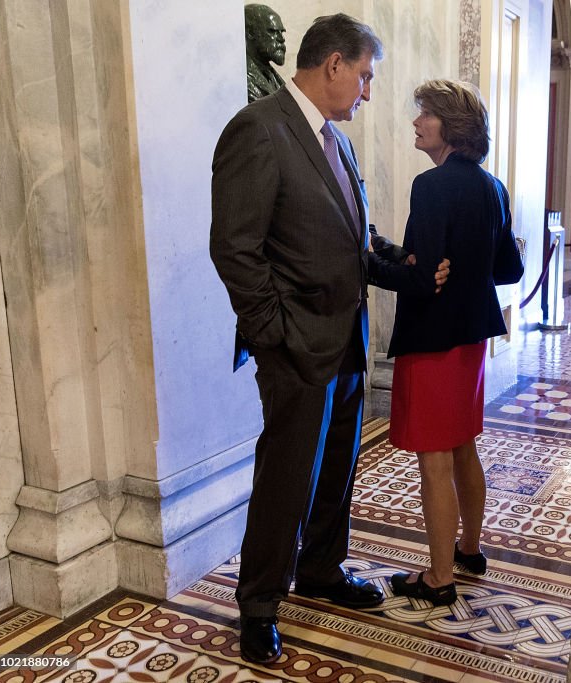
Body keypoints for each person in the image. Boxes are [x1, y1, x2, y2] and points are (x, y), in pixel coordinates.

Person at [210, 14, 449, 664]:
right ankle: (258, 605)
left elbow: (354, 241)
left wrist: (409, 268)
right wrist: (273, 337)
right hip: (295, 348)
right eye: (365, 75)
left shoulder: (336, 143)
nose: (368, 91)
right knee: (286, 477)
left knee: (337, 470)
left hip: (346, 340)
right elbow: (235, 248)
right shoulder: (258, 130)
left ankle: (320, 569)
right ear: (335, 65)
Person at [385, 80, 525, 606]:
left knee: (435, 459)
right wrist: (417, 259)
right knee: (463, 443)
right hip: (472, 338)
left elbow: (425, 278)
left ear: (451, 125)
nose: (417, 123)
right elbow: (508, 270)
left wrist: (385, 263)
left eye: (424, 115)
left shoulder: (432, 185)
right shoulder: (494, 187)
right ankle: (469, 548)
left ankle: (439, 578)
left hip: (433, 337)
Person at [244, 4, 286, 102]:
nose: (281, 39)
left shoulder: (273, 77)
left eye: (282, 32)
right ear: (250, 33)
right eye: (272, 32)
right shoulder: (240, 79)